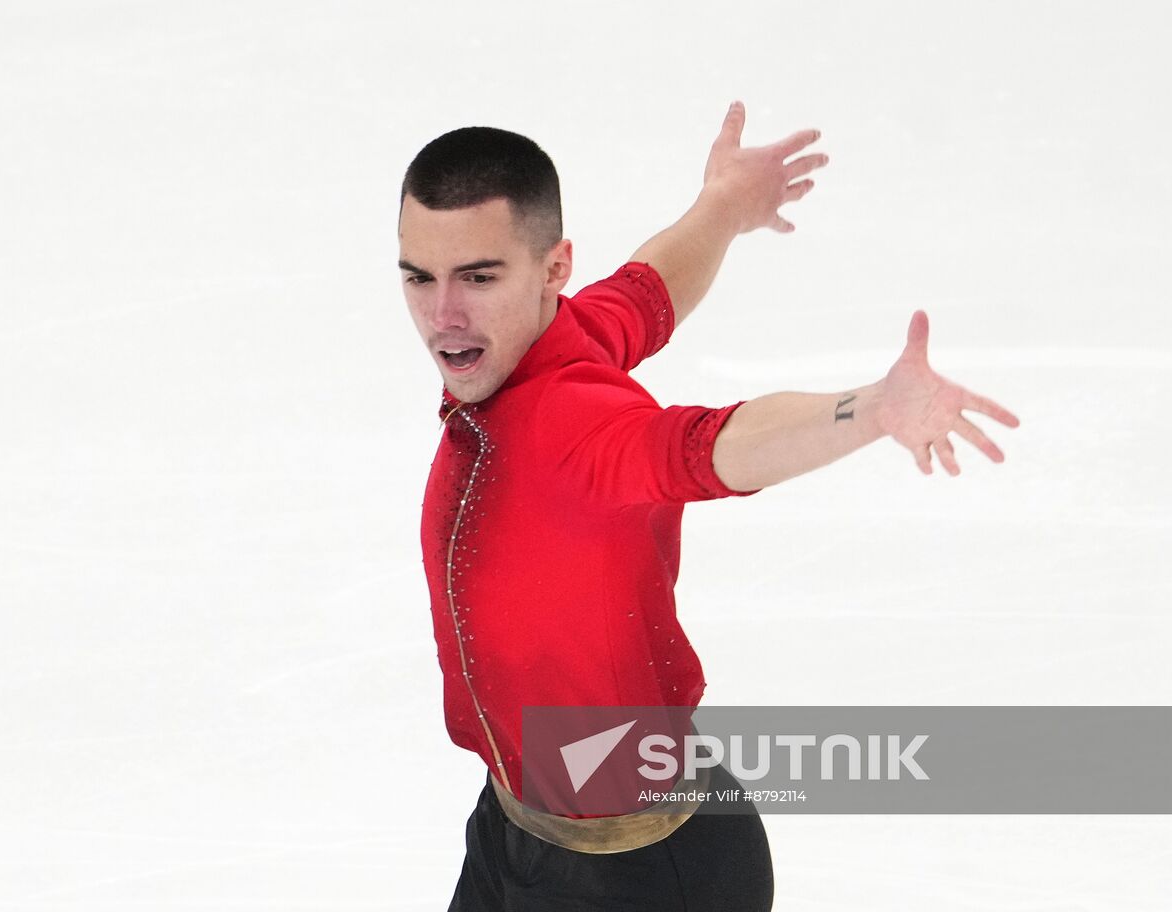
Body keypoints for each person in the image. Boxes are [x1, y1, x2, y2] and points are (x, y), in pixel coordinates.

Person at [397, 101, 1019, 911]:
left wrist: (867, 411)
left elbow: (715, 446)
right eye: (419, 276)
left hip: (636, 878)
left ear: (552, 269)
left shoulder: (577, 430)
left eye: (478, 277)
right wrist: (724, 206)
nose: (443, 317)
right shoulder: (551, 337)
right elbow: (647, 292)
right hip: (514, 829)